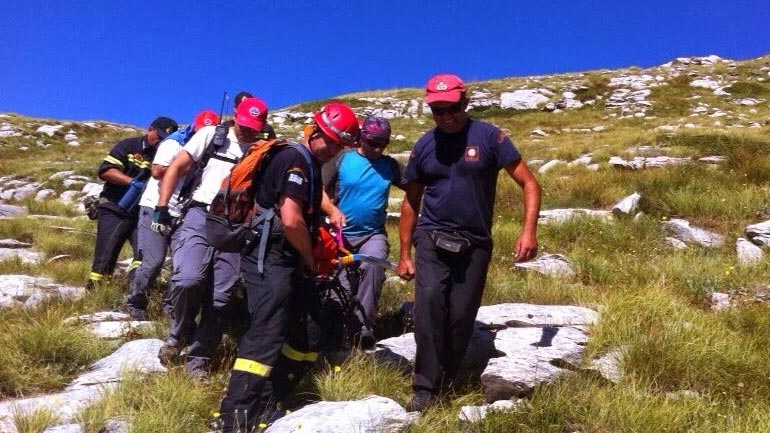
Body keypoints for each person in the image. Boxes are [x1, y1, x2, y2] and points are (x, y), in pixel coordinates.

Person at [396, 73, 541, 412]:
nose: (446, 116)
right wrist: (404, 253)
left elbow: (530, 184)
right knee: (430, 304)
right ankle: (425, 387)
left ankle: (448, 379)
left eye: (452, 108)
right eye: (438, 110)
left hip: (475, 242)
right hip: (431, 237)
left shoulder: (490, 137)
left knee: (461, 316)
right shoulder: (424, 146)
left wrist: (529, 230)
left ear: (465, 102)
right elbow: (410, 201)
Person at [217, 102, 360, 433]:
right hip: (272, 258)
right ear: (315, 131)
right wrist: (310, 257)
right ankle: (236, 415)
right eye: (332, 142)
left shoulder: (308, 163)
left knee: (309, 329)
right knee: (266, 333)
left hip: (289, 259)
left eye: (341, 145)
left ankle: (271, 398)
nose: (335, 150)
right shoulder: (294, 160)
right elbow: (292, 219)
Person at [154, 98, 268, 378]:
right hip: (200, 214)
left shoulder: (262, 151)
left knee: (221, 297)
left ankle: (199, 360)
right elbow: (177, 167)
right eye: (244, 126)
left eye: (254, 128)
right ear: (235, 118)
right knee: (187, 279)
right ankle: (179, 331)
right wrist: (162, 205)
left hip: (237, 224)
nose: (247, 132)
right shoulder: (211, 136)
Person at [124, 109, 219, 320]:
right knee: (154, 261)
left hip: (184, 213)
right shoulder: (174, 143)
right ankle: (135, 301)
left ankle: (170, 308)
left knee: (182, 264)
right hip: (156, 207)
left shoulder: (215, 151)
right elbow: (157, 171)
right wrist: (185, 165)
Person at [323, 116, 405, 349]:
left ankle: (362, 329)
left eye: (382, 144)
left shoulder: (390, 166)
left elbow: (417, 185)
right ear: (361, 138)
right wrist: (331, 211)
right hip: (340, 235)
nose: (377, 149)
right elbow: (319, 188)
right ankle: (334, 334)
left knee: (374, 265)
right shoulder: (342, 159)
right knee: (341, 283)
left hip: (372, 234)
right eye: (371, 143)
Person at [86, 116, 179, 291]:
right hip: (115, 207)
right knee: (106, 255)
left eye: (164, 139)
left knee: (143, 255)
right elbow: (105, 171)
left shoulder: (164, 154)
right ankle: (95, 294)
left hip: (141, 213)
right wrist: (131, 182)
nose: (160, 141)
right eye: (158, 136)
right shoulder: (128, 146)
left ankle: (133, 289)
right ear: (149, 129)